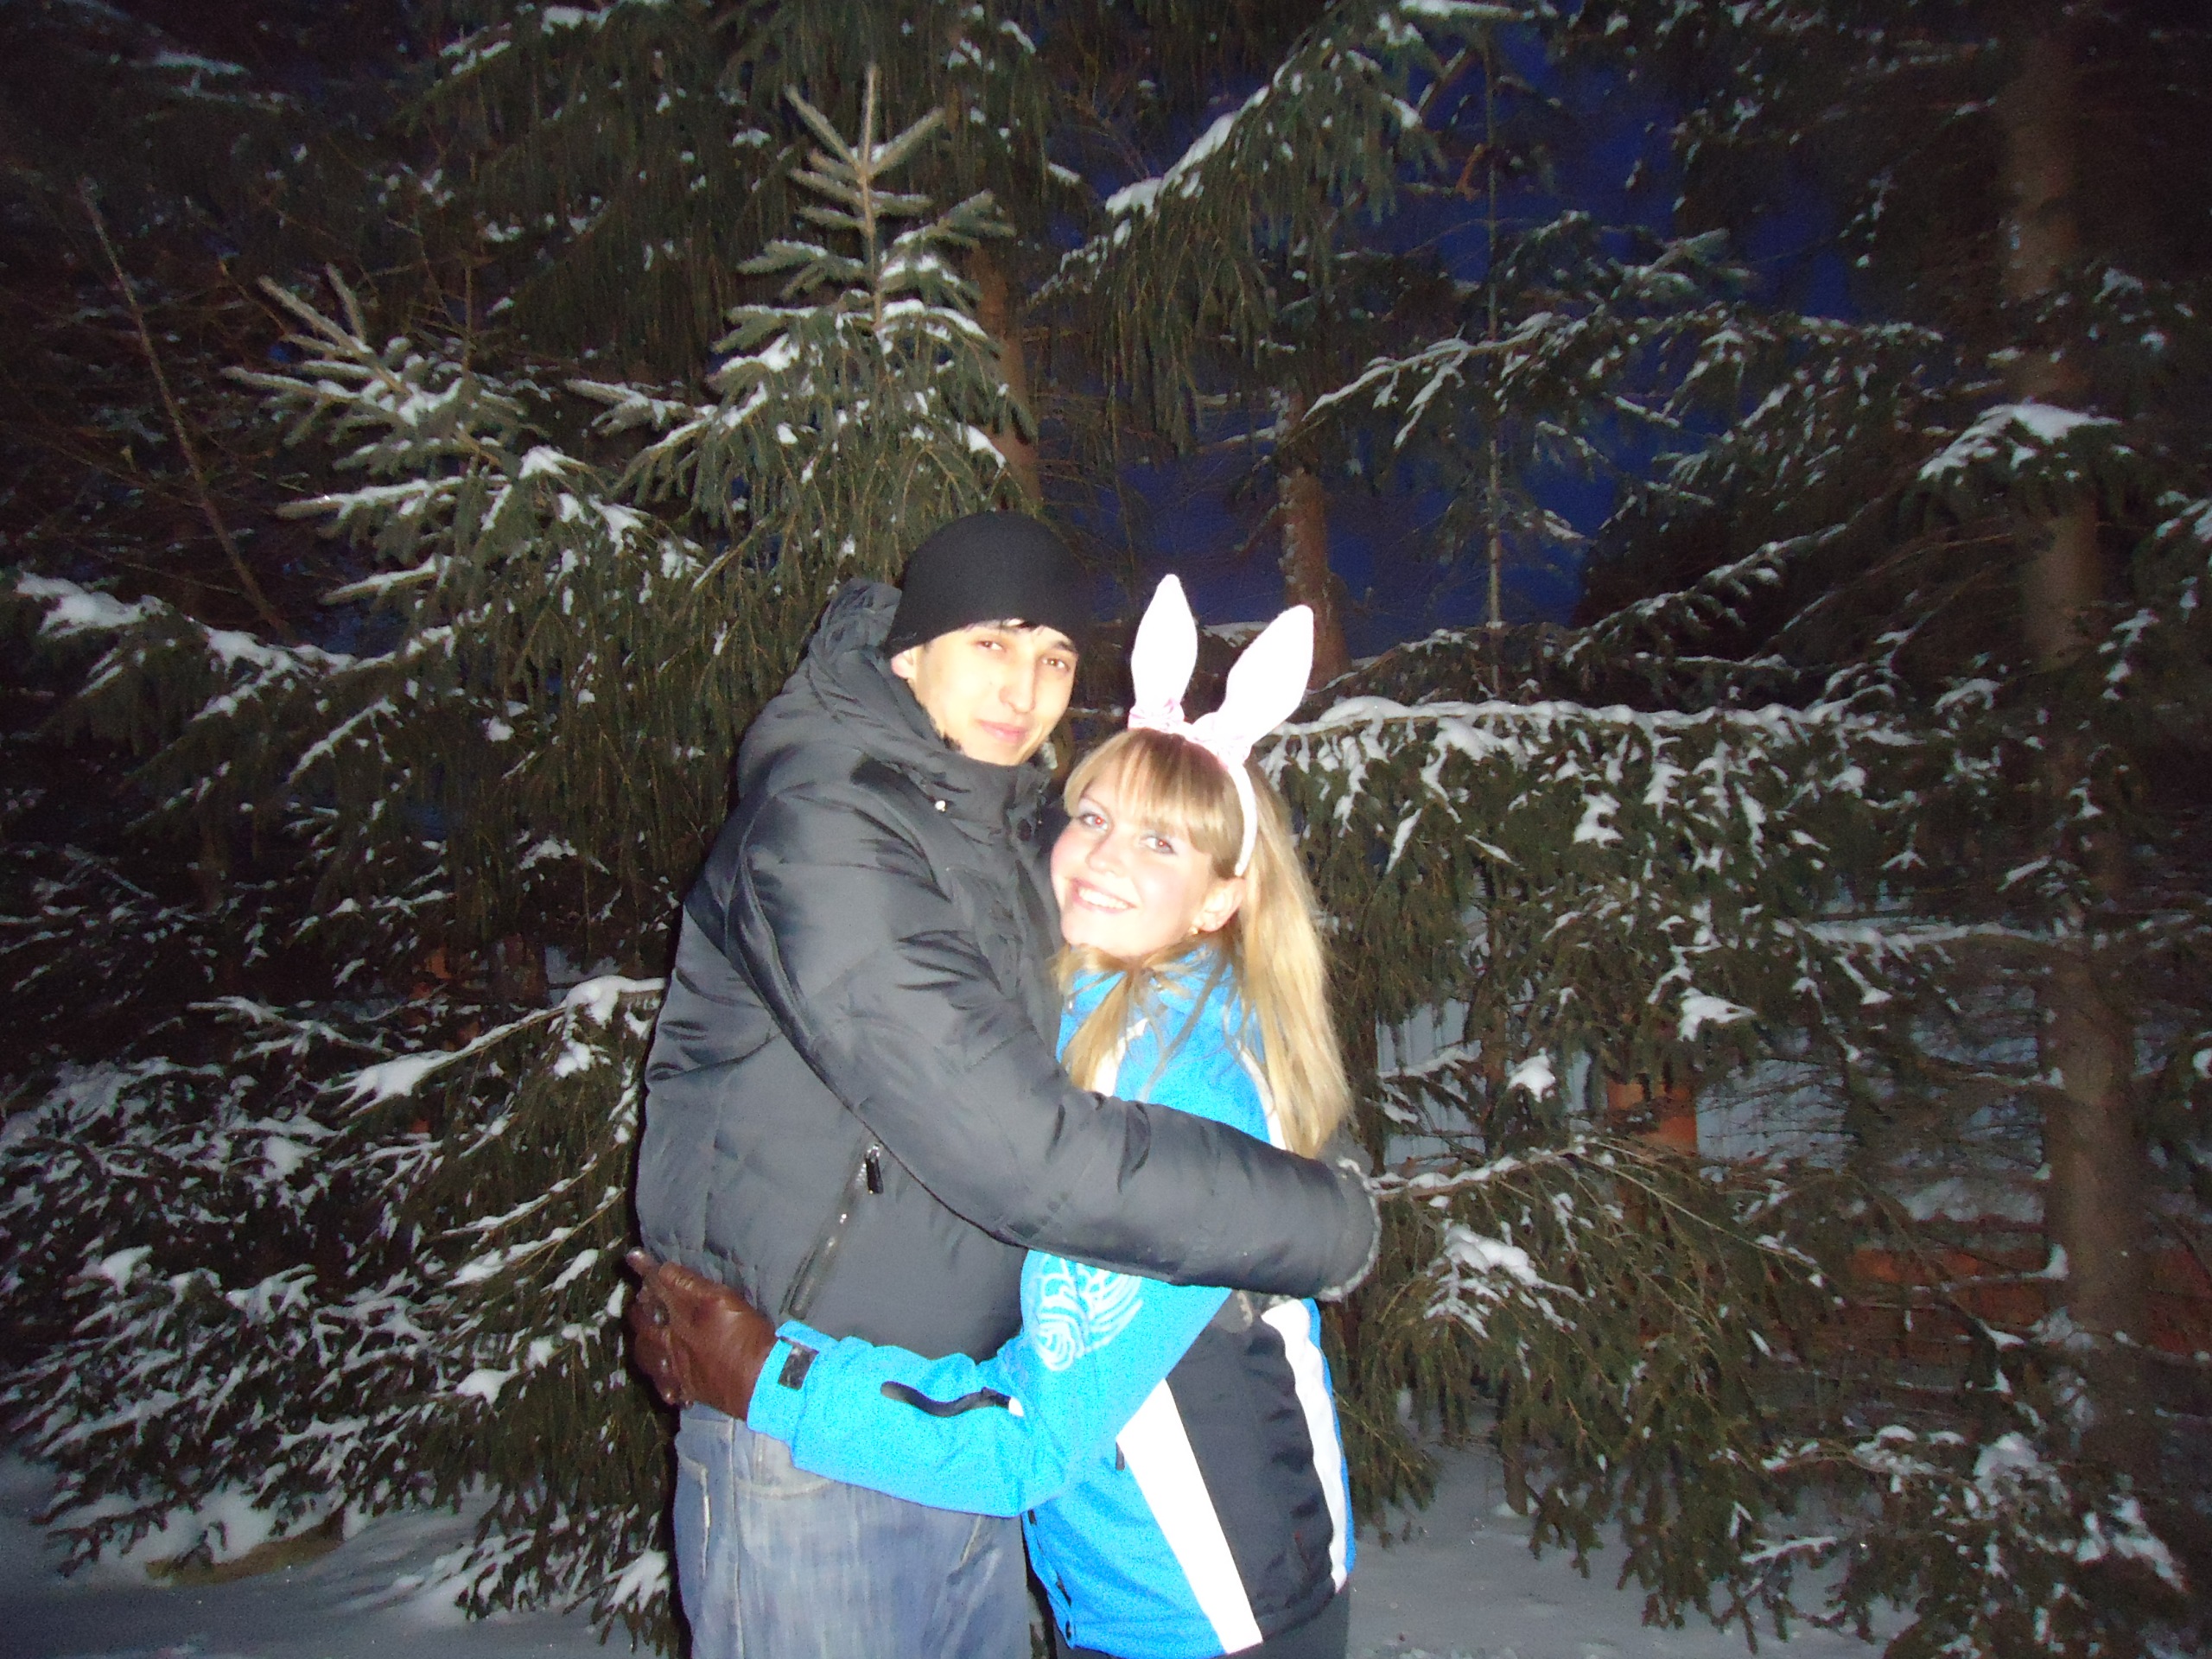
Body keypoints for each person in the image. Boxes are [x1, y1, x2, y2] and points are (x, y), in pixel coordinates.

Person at [630, 514, 1376, 1659]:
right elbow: (1018, 1147)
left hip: (1162, 1576)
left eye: (1056, 658)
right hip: (840, 1451)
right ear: (910, 652)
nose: (1024, 690)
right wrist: (1318, 1217)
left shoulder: (1129, 1002)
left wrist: (1320, 1209)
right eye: (991, 643)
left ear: (1226, 898)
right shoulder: (835, 828)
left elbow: (1034, 1419)